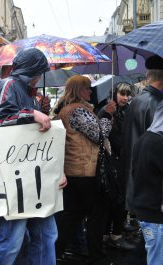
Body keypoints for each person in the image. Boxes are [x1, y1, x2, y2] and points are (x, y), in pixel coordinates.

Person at [0, 48, 56, 265]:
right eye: (39, 72)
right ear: (33, 71)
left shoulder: (25, 90)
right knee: (10, 239)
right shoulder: (9, 85)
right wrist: (32, 114)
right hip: (15, 177)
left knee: (44, 235)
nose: (40, 77)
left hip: (30, 176)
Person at [55, 75, 116, 264]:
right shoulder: (76, 110)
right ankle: (96, 256)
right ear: (78, 90)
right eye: (87, 88)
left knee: (73, 215)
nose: (91, 91)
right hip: (86, 170)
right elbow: (99, 135)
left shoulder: (66, 109)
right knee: (98, 212)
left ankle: (53, 252)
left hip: (74, 170)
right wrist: (107, 114)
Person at [122, 55, 163, 212]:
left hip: (137, 179)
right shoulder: (158, 103)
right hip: (153, 184)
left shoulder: (137, 101)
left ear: (147, 75)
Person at [98, 83, 135, 250]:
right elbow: (101, 135)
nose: (125, 98)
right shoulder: (106, 110)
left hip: (123, 160)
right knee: (111, 198)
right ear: (114, 93)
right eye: (122, 94)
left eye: (128, 95)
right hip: (109, 162)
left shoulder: (127, 111)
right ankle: (107, 234)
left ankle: (115, 233)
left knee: (120, 198)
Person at [131, 102, 163, 265]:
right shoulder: (158, 142)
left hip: (146, 209)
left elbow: (134, 172)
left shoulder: (145, 138)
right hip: (156, 212)